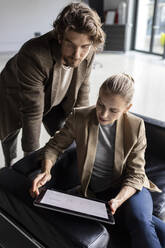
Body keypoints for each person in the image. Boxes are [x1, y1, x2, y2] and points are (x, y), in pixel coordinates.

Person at [31, 73, 165, 248]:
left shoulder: (136, 126)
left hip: (131, 189)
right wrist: (46, 171)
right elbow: (54, 146)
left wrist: (118, 200)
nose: (103, 113)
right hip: (97, 192)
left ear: (127, 108)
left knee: (140, 220)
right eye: (100, 103)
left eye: (113, 110)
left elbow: (136, 174)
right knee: (145, 223)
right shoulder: (81, 117)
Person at [0, 2, 105, 167]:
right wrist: (31, 161)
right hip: (14, 95)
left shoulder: (89, 50)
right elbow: (33, 111)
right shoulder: (33, 54)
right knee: (10, 137)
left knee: (64, 132)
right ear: (59, 36)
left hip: (56, 95)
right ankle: (9, 164)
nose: (78, 55)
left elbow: (82, 92)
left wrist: (84, 137)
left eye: (84, 47)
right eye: (70, 44)